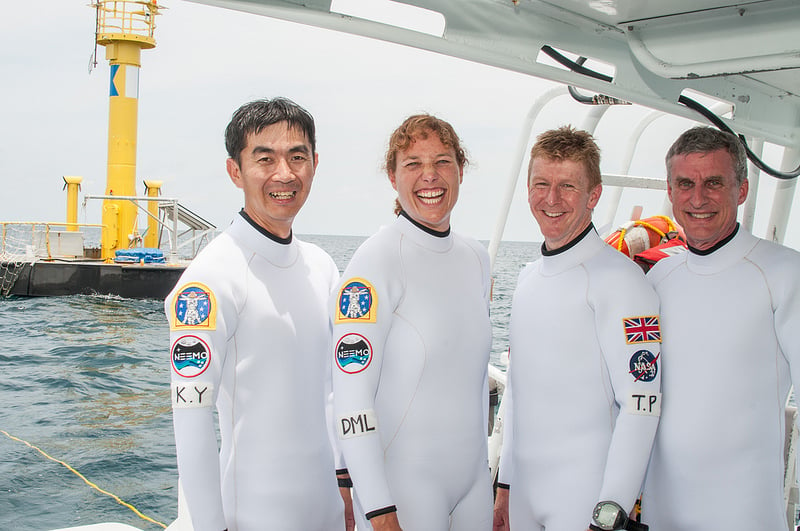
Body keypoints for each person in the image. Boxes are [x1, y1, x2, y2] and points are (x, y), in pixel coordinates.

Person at [164, 97, 352, 531]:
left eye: (297, 157)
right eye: (264, 159)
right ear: (236, 171)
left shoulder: (322, 267)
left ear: (315, 164)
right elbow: (190, 420)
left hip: (325, 507)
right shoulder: (211, 278)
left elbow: (331, 391)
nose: (284, 174)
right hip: (252, 514)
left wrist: (344, 482)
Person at [493, 126, 662, 531]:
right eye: (541, 184)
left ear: (594, 195)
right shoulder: (529, 278)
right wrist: (505, 486)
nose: (551, 199)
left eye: (567, 186)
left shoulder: (622, 281)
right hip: (525, 497)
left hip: (586, 501)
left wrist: (611, 511)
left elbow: (642, 404)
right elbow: (517, 389)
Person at [332, 114, 494, 530]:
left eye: (442, 161)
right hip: (404, 490)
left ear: (461, 169)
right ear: (392, 176)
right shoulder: (375, 260)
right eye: (413, 164)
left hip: (473, 483)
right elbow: (351, 396)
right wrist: (379, 508)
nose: (430, 176)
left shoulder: (477, 258)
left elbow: (472, 377)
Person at [641, 126, 800, 531]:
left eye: (714, 183)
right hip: (663, 510)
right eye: (685, 184)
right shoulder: (659, 277)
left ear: (742, 189)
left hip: (744, 513)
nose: (698, 198)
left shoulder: (784, 273)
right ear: (670, 190)